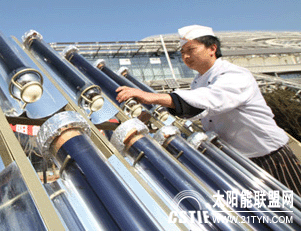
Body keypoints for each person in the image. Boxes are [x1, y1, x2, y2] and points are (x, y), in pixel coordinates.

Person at [116, 25, 301, 195]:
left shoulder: (233, 74)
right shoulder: (198, 81)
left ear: (212, 48)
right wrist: (154, 116)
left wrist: (151, 96)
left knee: (295, 205)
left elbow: (211, 99)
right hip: (239, 160)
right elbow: (197, 111)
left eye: (191, 50)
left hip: (270, 156)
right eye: (182, 53)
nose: (185, 57)